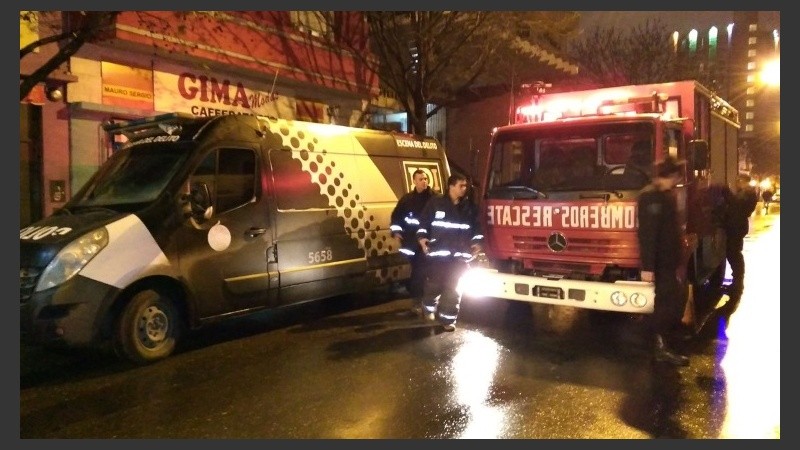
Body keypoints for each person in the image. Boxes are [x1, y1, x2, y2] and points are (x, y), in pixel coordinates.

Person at [637, 155, 690, 366]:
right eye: (675, 176)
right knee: (665, 305)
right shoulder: (651, 197)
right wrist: (648, 266)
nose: (677, 180)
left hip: (668, 261)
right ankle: (659, 347)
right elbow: (648, 234)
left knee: (671, 301)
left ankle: (661, 342)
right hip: (660, 263)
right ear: (668, 176)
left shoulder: (663, 195)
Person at [416, 173, 483, 332]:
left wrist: (477, 243)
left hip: (459, 257)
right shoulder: (436, 203)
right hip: (438, 256)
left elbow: (477, 228)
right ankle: (428, 307)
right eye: (461, 185)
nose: (464, 189)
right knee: (435, 285)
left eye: (465, 186)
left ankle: (448, 320)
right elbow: (423, 223)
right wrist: (422, 238)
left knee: (454, 289)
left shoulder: (469, 208)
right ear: (451, 186)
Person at [716, 173, 758, 331]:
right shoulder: (746, 194)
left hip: (737, 228)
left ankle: (737, 281)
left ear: (746, 182)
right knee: (733, 254)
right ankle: (737, 280)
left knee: (734, 255)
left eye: (740, 181)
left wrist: (726, 192)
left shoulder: (748, 195)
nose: (738, 183)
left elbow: (736, 206)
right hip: (735, 227)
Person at [390, 169, 435, 313]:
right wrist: (397, 232)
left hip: (429, 243)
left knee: (426, 273)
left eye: (425, 178)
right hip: (412, 244)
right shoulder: (407, 200)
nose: (424, 181)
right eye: (421, 179)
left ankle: (425, 302)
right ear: (414, 181)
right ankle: (418, 302)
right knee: (418, 273)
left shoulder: (434, 199)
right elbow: (396, 217)